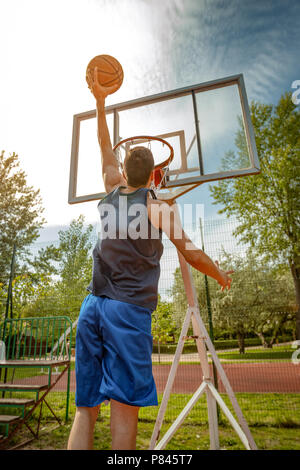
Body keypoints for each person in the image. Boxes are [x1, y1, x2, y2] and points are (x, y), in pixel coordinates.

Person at [67, 68, 233, 451]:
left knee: (85, 408)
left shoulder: (110, 189)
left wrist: (100, 100)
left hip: (91, 306)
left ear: (123, 171)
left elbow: (104, 146)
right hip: (126, 313)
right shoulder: (158, 207)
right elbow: (190, 253)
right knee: (124, 409)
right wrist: (220, 273)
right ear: (156, 175)